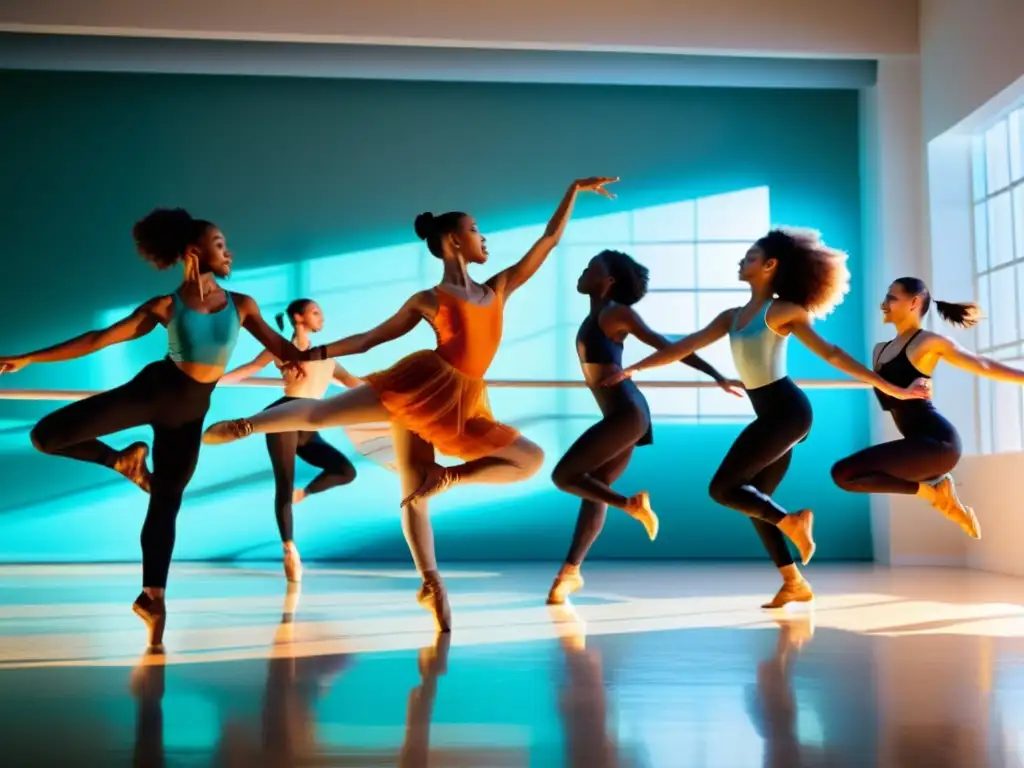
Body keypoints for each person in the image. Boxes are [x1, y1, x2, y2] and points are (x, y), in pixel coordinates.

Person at [201, 177, 622, 631]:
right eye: (477, 230)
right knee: (329, 417)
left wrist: (574, 191)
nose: (485, 238)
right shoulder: (429, 300)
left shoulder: (497, 289)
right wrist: (315, 354)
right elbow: (368, 340)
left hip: (463, 403)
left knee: (528, 460)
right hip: (421, 384)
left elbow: (549, 240)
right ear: (454, 241)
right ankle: (248, 426)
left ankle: (449, 480)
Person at [0, 208, 315, 648]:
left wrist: (305, 358)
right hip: (154, 390)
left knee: (167, 499)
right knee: (45, 436)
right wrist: (30, 357)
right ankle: (119, 459)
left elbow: (280, 346)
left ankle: (153, 597)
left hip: (189, 414)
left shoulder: (242, 305)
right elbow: (98, 340)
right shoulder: (166, 306)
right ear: (194, 252)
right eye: (221, 245)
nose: (230, 252)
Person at [603, 228, 930, 609]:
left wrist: (893, 389)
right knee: (756, 501)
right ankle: (794, 582)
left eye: (751, 257)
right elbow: (683, 346)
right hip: (774, 414)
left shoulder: (784, 312)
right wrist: (634, 369)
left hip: (788, 412)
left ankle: (793, 522)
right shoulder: (732, 316)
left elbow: (834, 355)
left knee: (723, 489)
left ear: (771, 266)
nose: (742, 262)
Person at [547, 249, 743, 604]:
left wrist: (716, 376)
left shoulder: (616, 313)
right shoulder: (598, 314)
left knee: (564, 477)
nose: (583, 272)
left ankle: (631, 505)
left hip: (627, 414)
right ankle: (569, 574)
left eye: (591, 268)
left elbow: (670, 347)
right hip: (622, 414)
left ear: (607, 281)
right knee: (595, 488)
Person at [830, 277, 990, 538]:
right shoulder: (879, 351)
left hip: (939, 444)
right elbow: (890, 386)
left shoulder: (928, 342)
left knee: (845, 473)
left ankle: (935, 492)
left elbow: (981, 365)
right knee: (844, 475)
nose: (884, 304)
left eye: (891, 298)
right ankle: (937, 493)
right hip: (922, 445)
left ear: (914, 302)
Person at [221, 298, 364, 583]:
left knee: (346, 471)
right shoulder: (281, 350)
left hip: (310, 422)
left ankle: (305, 493)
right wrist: (209, 382)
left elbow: (355, 384)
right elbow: (248, 369)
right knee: (284, 483)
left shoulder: (327, 356)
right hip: (285, 415)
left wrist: (396, 391)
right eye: (315, 312)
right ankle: (289, 549)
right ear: (299, 318)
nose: (321, 317)